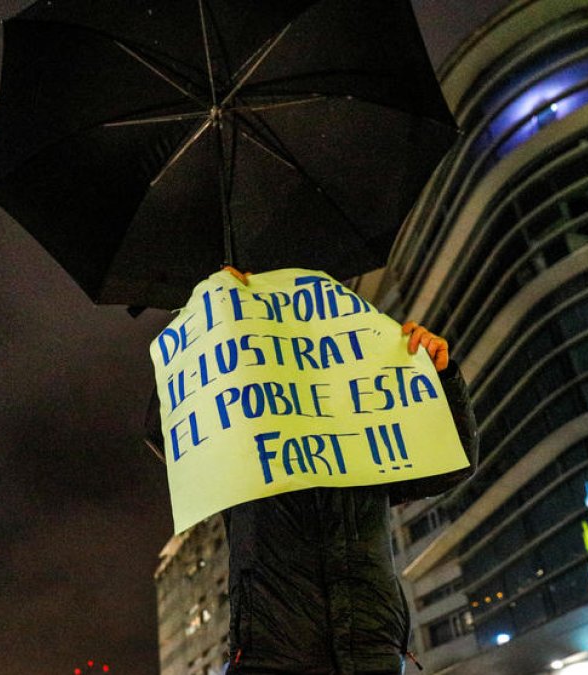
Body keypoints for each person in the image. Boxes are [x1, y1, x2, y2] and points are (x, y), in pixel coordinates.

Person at [145, 267, 478, 675]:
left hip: (371, 658)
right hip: (270, 662)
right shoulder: (245, 443)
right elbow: (168, 433)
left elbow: (452, 462)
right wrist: (203, 320)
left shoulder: (367, 436)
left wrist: (443, 378)